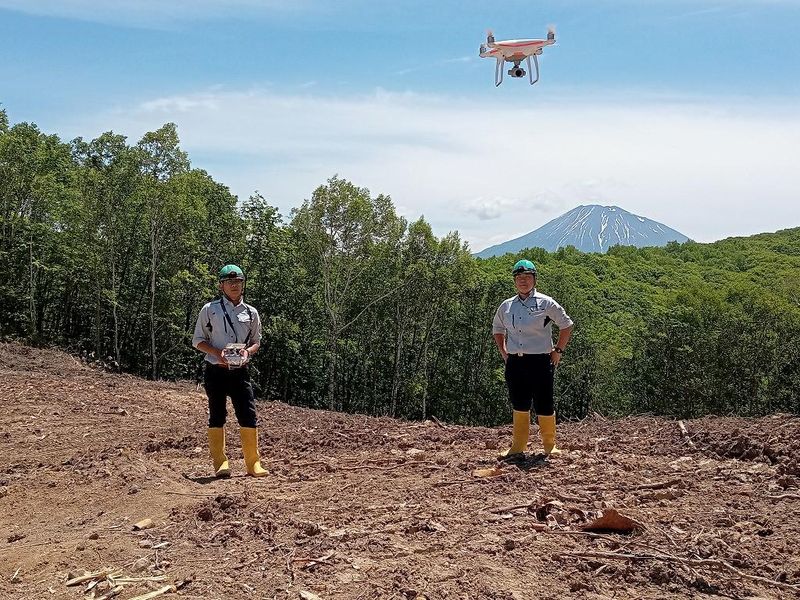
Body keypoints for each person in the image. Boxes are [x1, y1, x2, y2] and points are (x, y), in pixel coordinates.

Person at [491, 259, 574, 458]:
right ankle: (517, 447)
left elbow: (567, 325)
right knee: (519, 403)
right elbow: (497, 329)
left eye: (527, 277)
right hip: (515, 362)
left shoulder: (546, 303)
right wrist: (504, 353)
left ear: (534, 279)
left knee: (544, 403)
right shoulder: (507, 306)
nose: (523, 281)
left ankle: (549, 446)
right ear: (514, 280)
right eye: (519, 277)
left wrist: (558, 351)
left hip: (540, 361)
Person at [192, 264, 267, 477]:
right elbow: (197, 341)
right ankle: (220, 462)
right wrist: (218, 353)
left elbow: (256, 341)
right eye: (230, 282)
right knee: (217, 414)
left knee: (248, 414)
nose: (234, 286)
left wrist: (247, 354)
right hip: (216, 370)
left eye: (238, 282)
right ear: (221, 285)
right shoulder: (209, 309)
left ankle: (253, 463)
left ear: (243, 285)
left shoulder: (251, 313)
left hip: (240, 371)